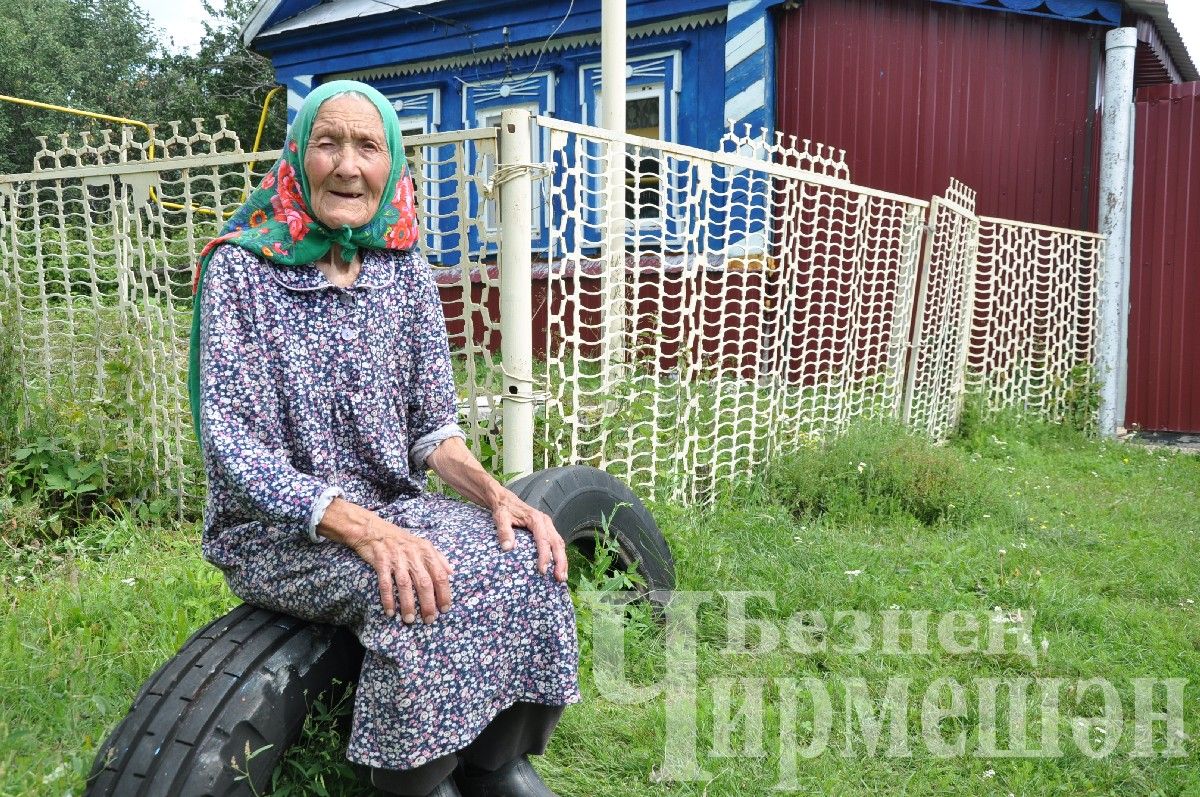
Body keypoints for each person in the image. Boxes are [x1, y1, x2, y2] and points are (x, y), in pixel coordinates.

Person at [187, 80, 579, 797]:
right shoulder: (241, 270)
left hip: (390, 506)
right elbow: (234, 447)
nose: (347, 165)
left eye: (367, 146)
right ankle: (414, 781)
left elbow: (434, 430)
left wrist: (499, 496)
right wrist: (363, 531)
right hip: (283, 531)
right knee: (416, 588)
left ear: (390, 161)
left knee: (526, 556)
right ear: (297, 157)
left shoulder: (403, 268)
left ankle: (498, 761)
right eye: (328, 143)